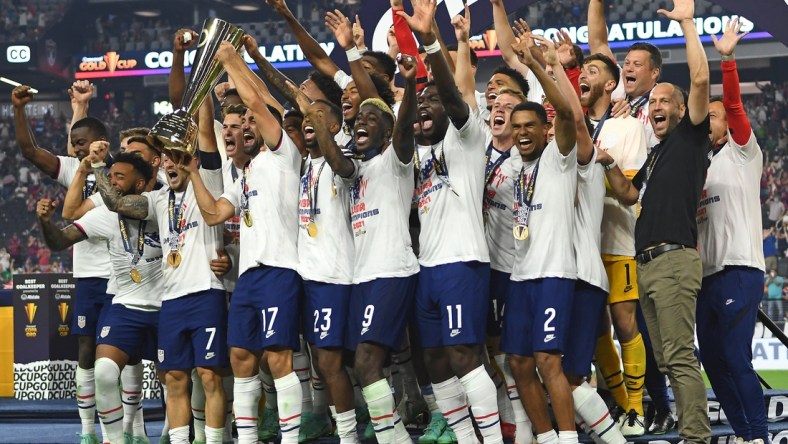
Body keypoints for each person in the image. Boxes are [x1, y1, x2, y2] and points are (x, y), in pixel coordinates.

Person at [596, 1, 712, 442]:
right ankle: (688, 429)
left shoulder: (689, 137)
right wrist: (606, 162)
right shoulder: (655, 153)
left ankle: (696, 438)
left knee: (679, 358)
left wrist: (686, 22)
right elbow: (628, 194)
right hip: (646, 263)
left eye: (667, 100)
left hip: (674, 260)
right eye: (655, 100)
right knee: (666, 359)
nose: (657, 105)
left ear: (682, 111)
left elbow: (700, 78)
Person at [186, 39, 304, 444]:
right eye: (233, 128)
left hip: (280, 269)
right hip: (249, 278)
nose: (240, 130)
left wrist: (229, 58)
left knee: (277, 358)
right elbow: (216, 213)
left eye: (246, 124)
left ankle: (290, 438)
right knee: (240, 357)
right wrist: (194, 175)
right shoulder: (243, 175)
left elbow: (256, 102)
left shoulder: (281, 154)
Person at [95, 100, 229, 444]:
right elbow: (116, 203)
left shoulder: (210, 180)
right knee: (175, 379)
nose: (171, 162)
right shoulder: (157, 200)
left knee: (210, 377)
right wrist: (98, 165)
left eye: (177, 156)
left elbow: (207, 135)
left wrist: (201, 102)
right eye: (166, 157)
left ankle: (215, 440)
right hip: (171, 301)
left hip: (206, 293)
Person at [12, 84, 113, 444]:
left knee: (125, 356)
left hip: (123, 276)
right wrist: (19, 110)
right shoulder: (73, 170)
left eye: (83, 142)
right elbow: (28, 150)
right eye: (75, 144)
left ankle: (128, 430)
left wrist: (81, 108)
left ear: (102, 140)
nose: (76, 148)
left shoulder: (126, 171)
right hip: (87, 275)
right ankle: (88, 432)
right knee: (86, 351)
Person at [37, 152, 160, 444]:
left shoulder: (159, 205)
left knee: (180, 378)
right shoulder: (104, 213)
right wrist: (44, 222)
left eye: (120, 176)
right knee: (104, 371)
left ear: (140, 183)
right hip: (126, 303)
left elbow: (118, 199)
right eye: (111, 175)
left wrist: (98, 165)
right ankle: (114, 440)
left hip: (166, 303)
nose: (111, 182)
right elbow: (58, 241)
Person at [502, 26, 579, 444]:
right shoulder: (515, 168)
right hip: (521, 276)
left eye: (531, 125)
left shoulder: (559, 158)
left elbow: (566, 113)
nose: (523, 133)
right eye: (518, 128)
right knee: (517, 361)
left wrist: (535, 63)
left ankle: (566, 440)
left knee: (548, 360)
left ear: (544, 130)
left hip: (553, 273)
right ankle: (546, 437)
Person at [696, 18, 768, 444]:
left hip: (739, 268)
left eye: (714, 114)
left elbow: (737, 108)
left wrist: (726, 63)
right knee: (713, 360)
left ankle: (758, 435)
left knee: (736, 359)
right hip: (705, 275)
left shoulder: (743, 152)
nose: (710, 118)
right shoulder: (699, 165)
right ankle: (743, 434)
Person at [289, 86, 360, 443]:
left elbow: (343, 167)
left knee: (335, 363)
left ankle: (350, 435)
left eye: (318, 119)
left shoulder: (343, 157)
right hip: (309, 277)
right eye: (305, 119)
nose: (308, 124)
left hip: (336, 276)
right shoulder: (303, 165)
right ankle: (343, 425)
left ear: (335, 126)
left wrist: (316, 114)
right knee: (322, 362)